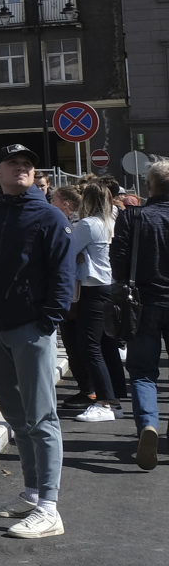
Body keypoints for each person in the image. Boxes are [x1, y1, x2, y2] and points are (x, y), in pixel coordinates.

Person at [0, 143, 73, 538]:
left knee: (42, 416)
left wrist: (47, 322)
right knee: (15, 416)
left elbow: (63, 275)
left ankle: (49, 506)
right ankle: (31, 493)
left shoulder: (48, 215)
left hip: (30, 329)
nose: (22, 168)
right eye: (14, 163)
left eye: (28, 163)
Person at [113, 161, 169, 469]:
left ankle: (148, 424)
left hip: (142, 302)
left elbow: (117, 259)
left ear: (150, 186)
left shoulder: (133, 217)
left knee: (143, 371)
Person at [62, 181, 120, 420]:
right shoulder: (110, 221)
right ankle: (114, 395)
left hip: (92, 287)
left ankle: (105, 401)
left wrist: (78, 254)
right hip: (107, 285)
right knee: (105, 344)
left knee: (89, 345)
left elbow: (67, 249)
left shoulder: (87, 224)